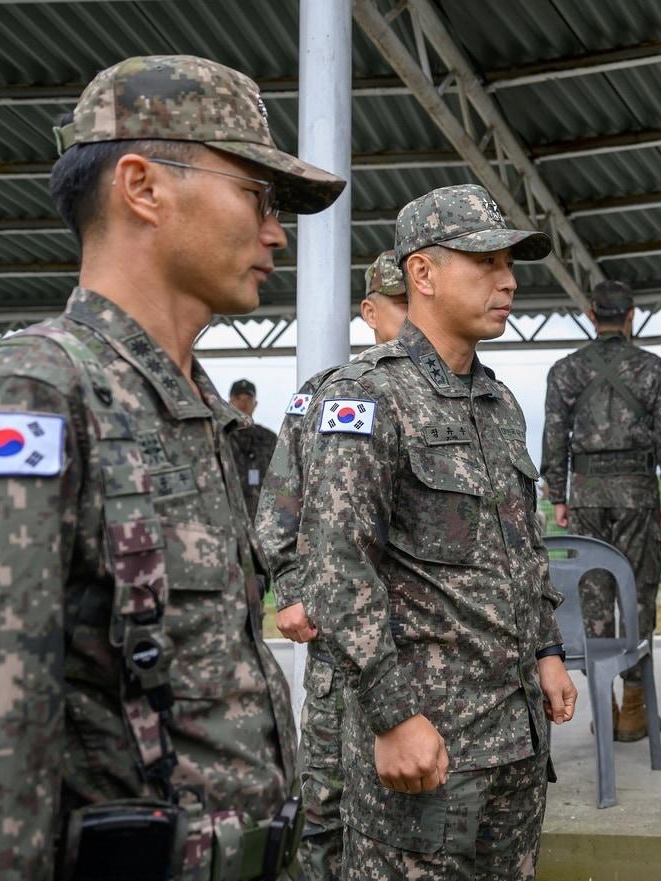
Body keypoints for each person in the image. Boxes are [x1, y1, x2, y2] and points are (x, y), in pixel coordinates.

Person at [0, 54, 345, 880]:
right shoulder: (30, 400)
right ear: (143, 187)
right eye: (256, 196)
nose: (276, 232)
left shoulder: (192, 412)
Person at [296, 184, 578, 880]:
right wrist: (392, 717)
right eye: (484, 262)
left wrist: (546, 648)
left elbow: (522, 543)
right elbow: (337, 567)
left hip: (513, 737)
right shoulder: (366, 395)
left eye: (510, 263)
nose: (508, 279)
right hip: (427, 744)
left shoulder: (498, 401)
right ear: (421, 273)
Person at [256, 249, 408, 881]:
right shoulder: (325, 397)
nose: (412, 319)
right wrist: (289, 590)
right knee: (323, 800)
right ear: (370, 312)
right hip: (338, 644)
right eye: (400, 306)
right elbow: (278, 508)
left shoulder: (464, 403)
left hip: (414, 647)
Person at [540, 278, 661, 742]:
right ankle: (635, 708)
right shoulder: (654, 369)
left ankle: (603, 706)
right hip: (639, 494)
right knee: (637, 598)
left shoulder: (565, 370)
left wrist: (558, 496)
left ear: (590, 315)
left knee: (594, 598)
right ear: (630, 316)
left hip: (584, 494)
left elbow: (553, 438)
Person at [229, 378, 280, 518]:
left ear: (255, 403)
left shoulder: (268, 438)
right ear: (230, 402)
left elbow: (279, 476)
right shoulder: (220, 437)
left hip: (262, 516)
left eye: (248, 398)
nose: (243, 403)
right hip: (230, 516)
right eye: (238, 398)